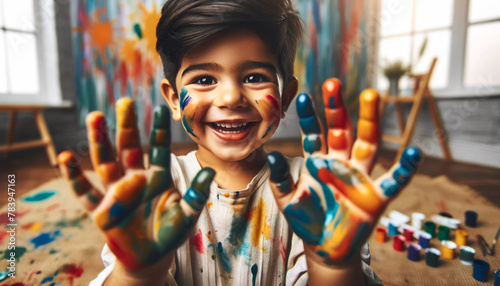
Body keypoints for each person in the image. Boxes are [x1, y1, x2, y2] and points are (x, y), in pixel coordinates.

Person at [58, 0, 422, 285]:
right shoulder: (154, 191)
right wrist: (136, 275)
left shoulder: (312, 190)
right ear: (172, 99)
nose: (231, 97)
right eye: (203, 79)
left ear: (286, 94)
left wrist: (333, 265)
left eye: (253, 76)